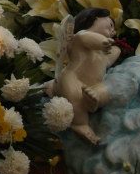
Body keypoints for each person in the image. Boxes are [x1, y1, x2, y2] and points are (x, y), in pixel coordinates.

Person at [46, 8, 120, 145]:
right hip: (73, 78)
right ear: (94, 18)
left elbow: (111, 57)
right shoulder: (79, 37)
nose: (113, 32)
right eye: (110, 25)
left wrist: (115, 49)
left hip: (91, 86)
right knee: (74, 96)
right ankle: (80, 124)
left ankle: (91, 102)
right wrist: (102, 42)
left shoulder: (103, 53)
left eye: (114, 29)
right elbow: (89, 39)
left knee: (103, 92)